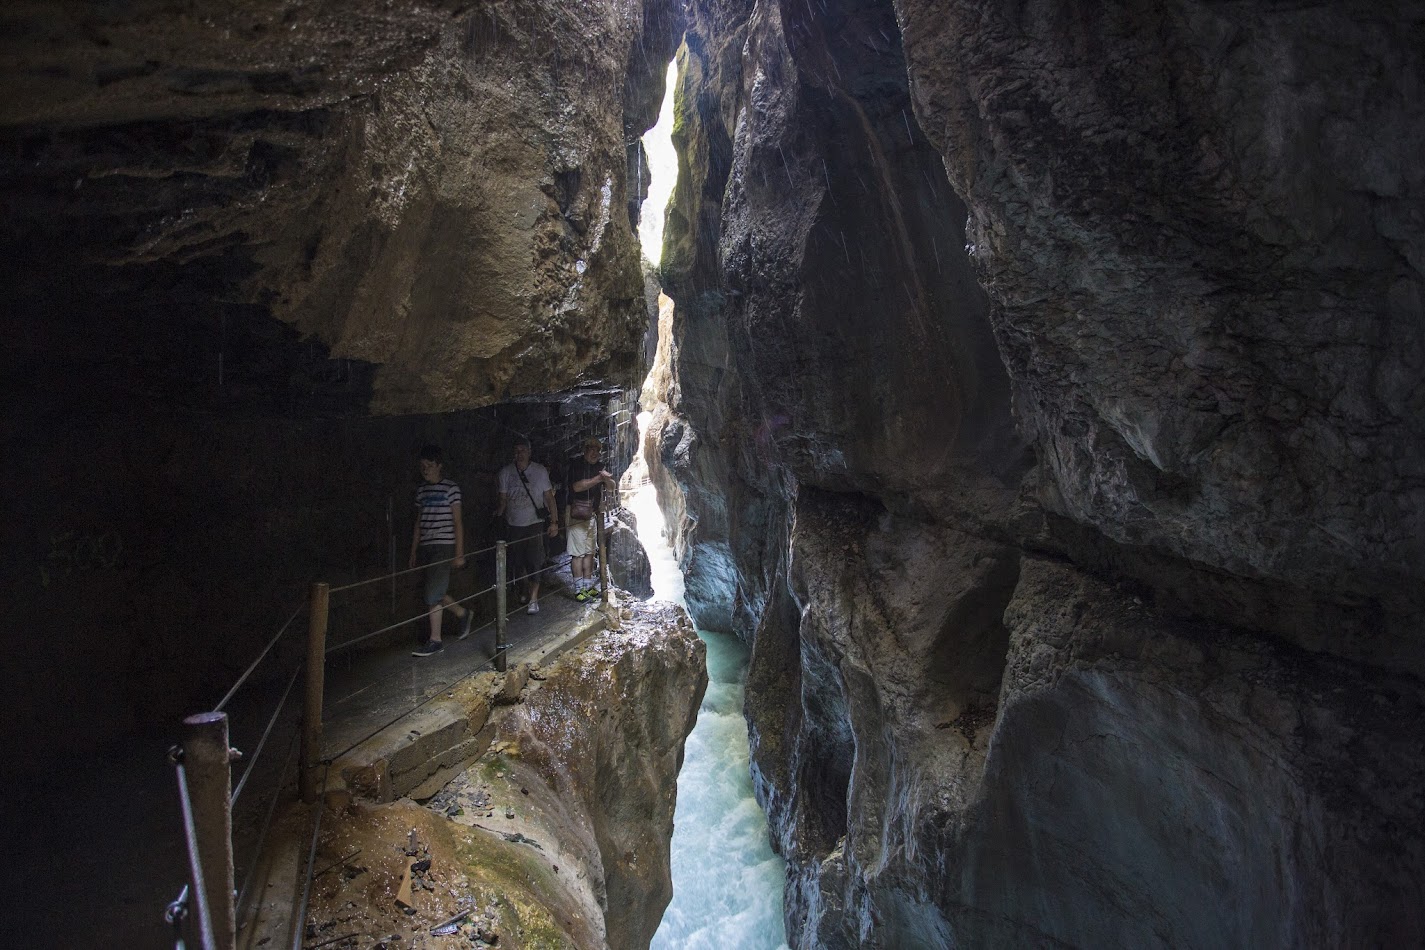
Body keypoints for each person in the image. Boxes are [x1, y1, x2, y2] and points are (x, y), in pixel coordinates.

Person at [409, 445, 473, 657]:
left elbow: (457, 521)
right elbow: (418, 522)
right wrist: (414, 551)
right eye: (422, 467)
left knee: (432, 593)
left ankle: (435, 640)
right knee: (434, 589)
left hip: (444, 545)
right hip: (427, 544)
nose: (425, 470)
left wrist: (459, 552)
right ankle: (462, 613)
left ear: (439, 466)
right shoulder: (422, 491)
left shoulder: (451, 489)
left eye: (429, 466)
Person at [494, 436, 558, 614]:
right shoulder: (505, 473)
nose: (519, 454)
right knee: (517, 561)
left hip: (534, 523)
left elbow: (549, 498)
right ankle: (524, 589)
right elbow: (503, 501)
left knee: (535, 561)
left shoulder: (540, 471)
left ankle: (533, 598)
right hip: (513, 524)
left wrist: (554, 522)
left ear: (529, 452)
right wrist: (497, 518)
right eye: (516, 451)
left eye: (523, 450)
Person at [566, 436, 617, 602]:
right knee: (577, 554)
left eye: (597, 450)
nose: (594, 453)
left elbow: (611, 488)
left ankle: (588, 586)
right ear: (585, 450)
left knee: (590, 551)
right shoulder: (576, 465)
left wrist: (607, 479)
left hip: (592, 515)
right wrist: (598, 478)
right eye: (591, 449)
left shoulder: (600, 467)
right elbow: (577, 486)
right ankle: (578, 589)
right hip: (577, 514)